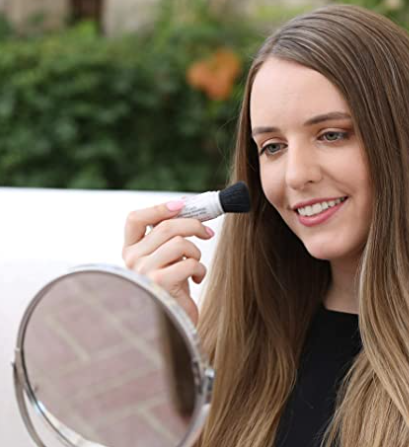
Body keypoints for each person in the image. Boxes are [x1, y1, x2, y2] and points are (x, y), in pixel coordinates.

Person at [122, 4, 409, 446]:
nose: (296, 175)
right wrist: (177, 352)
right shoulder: (245, 342)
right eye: (273, 147)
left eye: (332, 134)